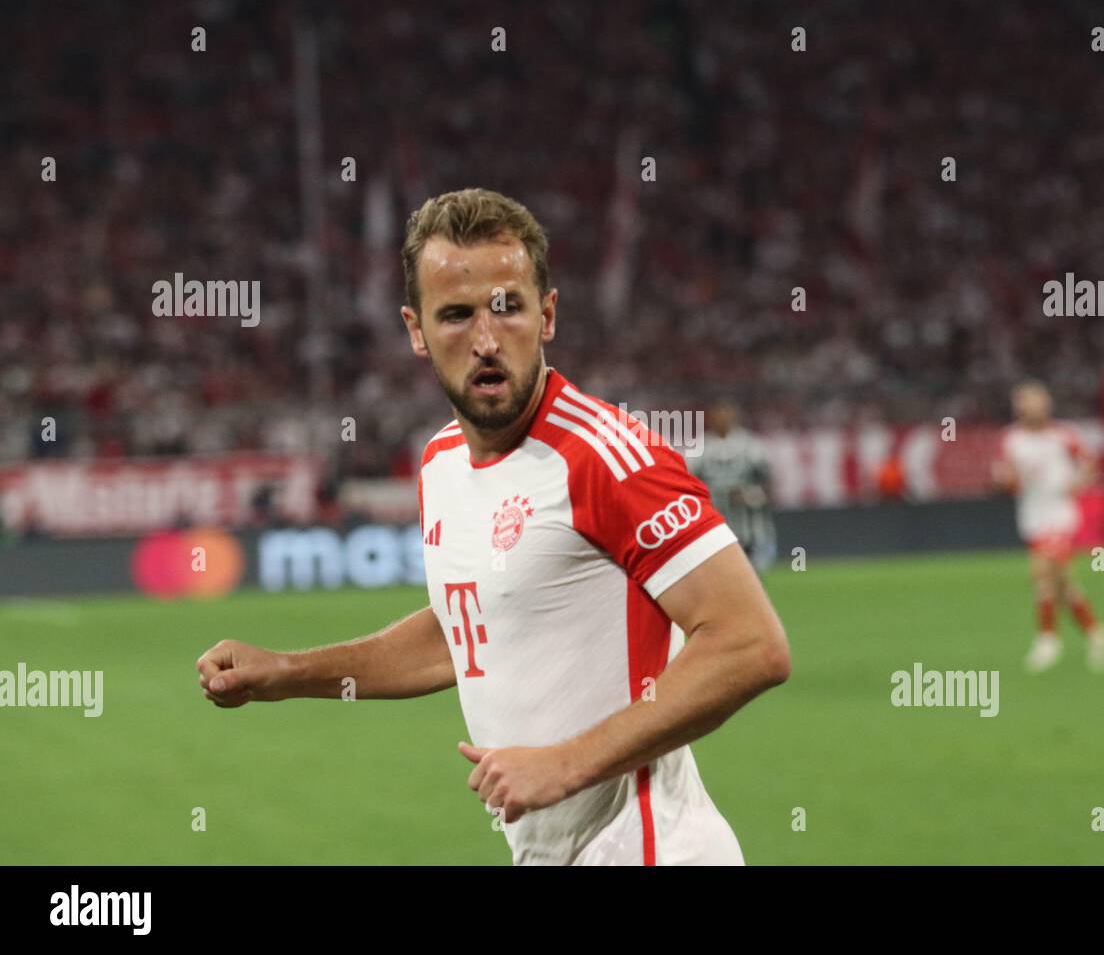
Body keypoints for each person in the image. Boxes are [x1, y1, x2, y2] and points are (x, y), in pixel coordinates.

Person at [196, 188, 791, 865]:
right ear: (415, 329)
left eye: (507, 307)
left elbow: (750, 644)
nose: (485, 339)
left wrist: (568, 764)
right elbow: (469, 630)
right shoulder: (440, 465)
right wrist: (286, 671)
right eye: (455, 315)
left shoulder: (606, 457)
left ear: (549, 315)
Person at [992, 380, 1104, 673]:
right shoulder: (1010, 440)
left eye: (1035, 400)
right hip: (1032, 516)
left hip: (1060, 515)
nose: (1030, 406)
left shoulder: (1063, 435)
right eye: (1024, 401)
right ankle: (1096, 633)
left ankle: (1048, 641)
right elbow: (1003, 478)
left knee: (1041, 572)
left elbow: (1090, 462)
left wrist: (1077, 483)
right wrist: (1009, 480)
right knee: (1062, 584)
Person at [688, 400, 777, 573]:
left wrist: (751, 495)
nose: (722, 417)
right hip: (714, 525)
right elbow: (688, 484)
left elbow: (768, 483)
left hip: (749, 526)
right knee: (719, 575)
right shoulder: (699, 447)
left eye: (726, 412)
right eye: (718, 413)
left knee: (751, 574)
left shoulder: (750, 445)